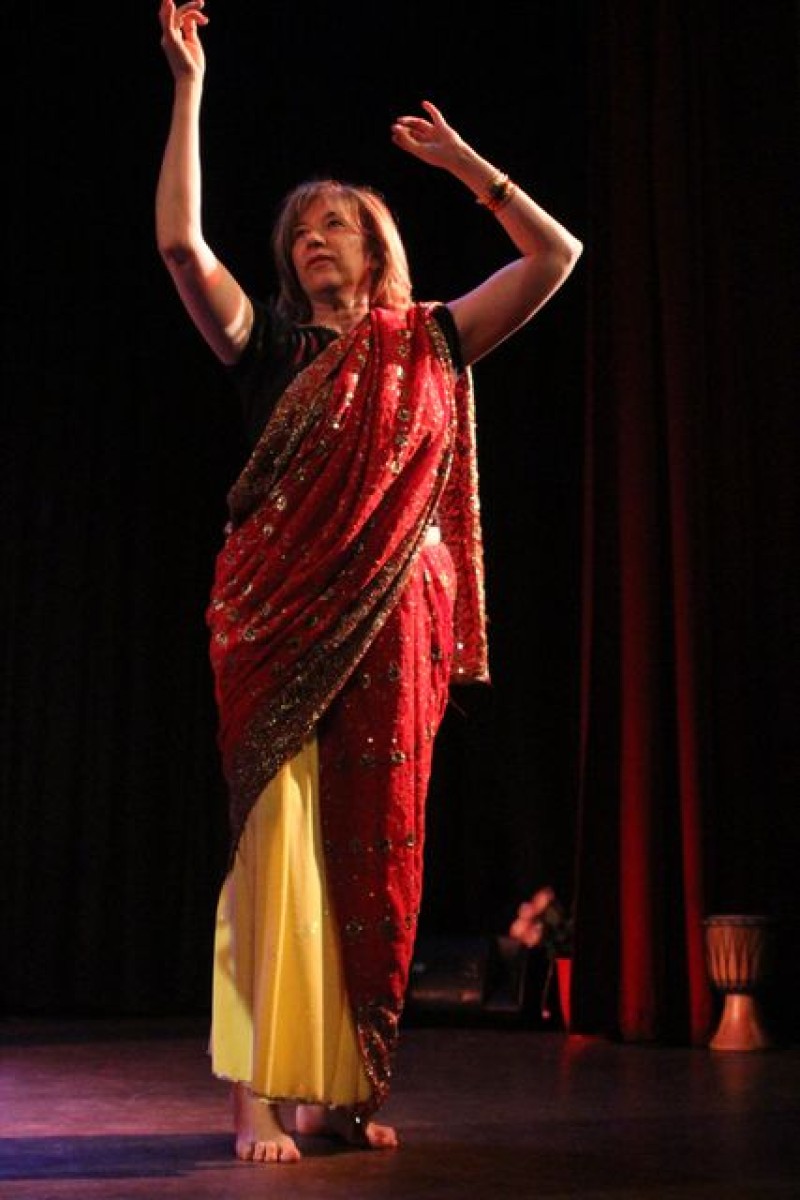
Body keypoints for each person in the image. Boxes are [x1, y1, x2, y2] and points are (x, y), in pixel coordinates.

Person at [156, 0, 583, 1165]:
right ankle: (255, 1100)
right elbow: (182, 246)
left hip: (389, 638)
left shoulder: (428, 342)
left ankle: (343, 1090)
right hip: (273, 630)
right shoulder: (266, 347)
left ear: (376, 246)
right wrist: (190, 87)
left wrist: (465, 166)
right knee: (277, 862)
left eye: (337, 223)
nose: (315, 237)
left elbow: (554, 258)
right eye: (300, 228)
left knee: (374, 858)